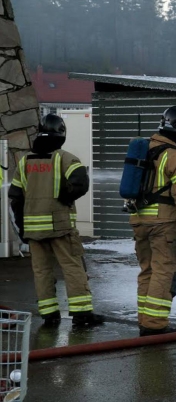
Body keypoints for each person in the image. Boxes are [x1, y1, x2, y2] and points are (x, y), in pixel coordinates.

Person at [9, 114, 105, 327]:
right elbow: (80, 183)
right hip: (60, 226)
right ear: (61, 134)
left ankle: (49, 315)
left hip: (34, 230)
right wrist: (65, 196)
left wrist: (22, 227)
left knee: (41, 271)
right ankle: (82, 315)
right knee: (72, 266)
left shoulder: (25, 161)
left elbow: (15, 197)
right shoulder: (65, 158)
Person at [130, 106, 176, 336]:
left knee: (147, 270)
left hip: (139, 219)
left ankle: (145, 319)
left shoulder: (146, 147)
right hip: (164, 223)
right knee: (163, 270)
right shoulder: (174, 155)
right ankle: (155, 325)